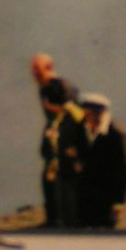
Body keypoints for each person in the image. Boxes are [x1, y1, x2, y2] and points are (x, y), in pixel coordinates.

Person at [30, 52, 83, 227]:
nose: (35, 75)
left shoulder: (60, 86)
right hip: (54, 140)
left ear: (49, 68)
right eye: (34, 71)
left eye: (38, 70)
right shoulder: (45, 87)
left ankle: (63, 220)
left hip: (65, 140)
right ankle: (53, 218)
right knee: (50, 179)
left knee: (61, 181)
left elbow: (73, 113)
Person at [75, 93, 126, 229]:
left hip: (107, 197)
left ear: (98, 114)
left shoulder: (117, 134)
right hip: (86, 194)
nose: (86, 118)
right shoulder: (82, 128)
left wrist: (119, 200)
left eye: (88, 114)